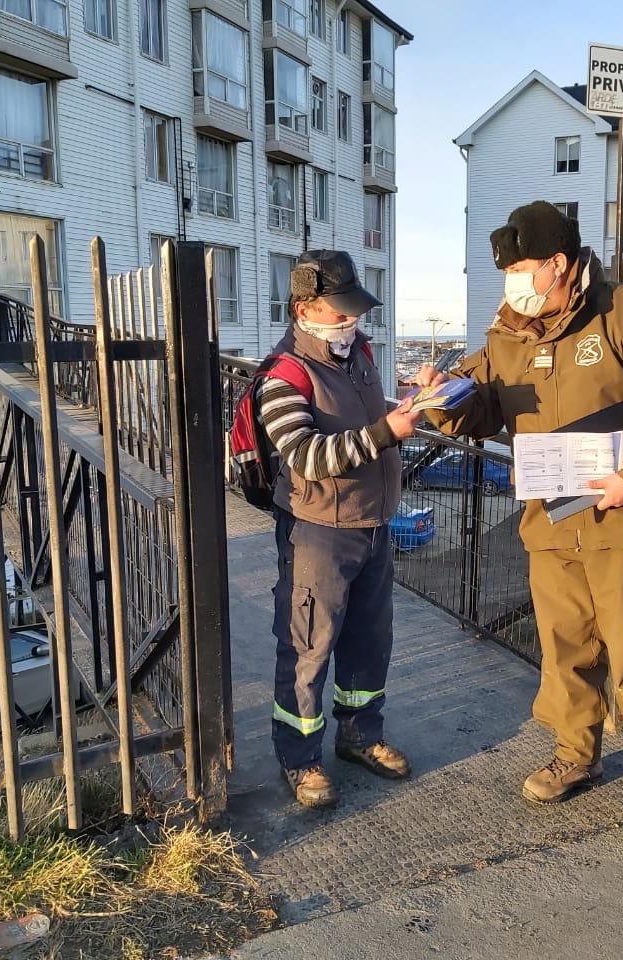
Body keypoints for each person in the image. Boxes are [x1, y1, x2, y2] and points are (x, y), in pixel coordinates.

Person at [411, 201, 623, 835]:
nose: (514, 283)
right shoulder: (508, 334)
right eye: (508, 272)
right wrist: (440, 399)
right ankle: (576, 754)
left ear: (560, 264)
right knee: (565, 647)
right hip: (552, 520)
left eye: (523, 269)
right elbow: (481, 408)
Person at [259, 249, 422, 809]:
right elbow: (305, 455)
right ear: (305, 308)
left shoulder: (359, 356)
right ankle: (300, 758)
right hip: (318, 531)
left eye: (355, 312)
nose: (352, 322)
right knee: (308, 646)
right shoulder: (283, 375)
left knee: (369, 641)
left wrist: (416, 399)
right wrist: (385, 433)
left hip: (374, 522)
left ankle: (361, 735)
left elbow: (368, 416)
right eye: (340, 312)